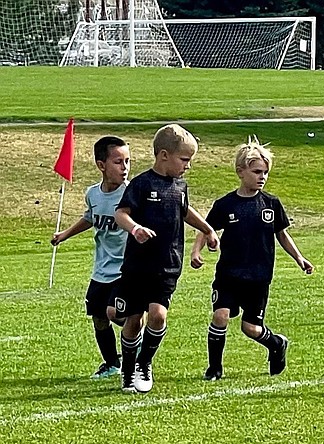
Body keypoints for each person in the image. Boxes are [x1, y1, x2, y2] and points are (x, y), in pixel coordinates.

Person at [192, 137, 312, 381]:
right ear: (240, 172)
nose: (262, 177)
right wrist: (196, 251)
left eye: (265, 172)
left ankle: (276, 344)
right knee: (220, 316)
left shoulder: (271, 204)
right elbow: (206, 229)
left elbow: (282, 234)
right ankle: (214, 368)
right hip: (229, 274)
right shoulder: (226, 204)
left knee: (251, 328)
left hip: (258, 277)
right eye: (257, 171)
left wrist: (299, 258)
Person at [113, 124, 219, 394]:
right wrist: (135, 229)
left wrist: (207, 229)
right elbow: (121, 214)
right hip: (138, 266)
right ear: (163, 155)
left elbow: (184, 210)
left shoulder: (180, 186)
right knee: (133, 320)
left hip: (167, 264)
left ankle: (144, 364)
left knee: (158, 315)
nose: (188, 166)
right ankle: (127, 370)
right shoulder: (141, 184)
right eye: (184, 160)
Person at [50, 136, 131, 379]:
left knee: (114, 313)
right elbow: (89, 218)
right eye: (118, 162)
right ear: (101, 165)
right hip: (101, 269)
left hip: (126, 269)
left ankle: (136, 337)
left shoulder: (131, 194)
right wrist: (65, 234)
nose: (125, 168)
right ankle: (111, 363)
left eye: (127, 161)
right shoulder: (93, 194)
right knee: (98, 318)